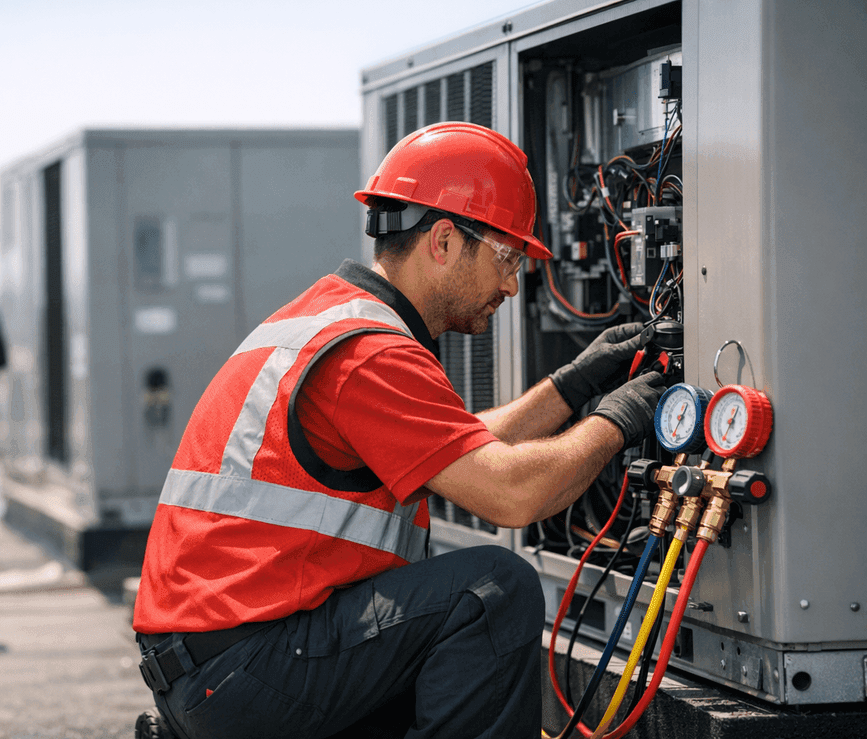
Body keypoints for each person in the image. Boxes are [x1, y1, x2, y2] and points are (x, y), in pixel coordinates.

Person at [131, 122, 669, 739]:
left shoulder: (334, 318)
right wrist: (618, 421)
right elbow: (510, 494)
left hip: (217, 665)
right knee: (493, 591)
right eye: (507, 257)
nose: (510, 285)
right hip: (249, 668)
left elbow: (458, 447)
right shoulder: (372, 353)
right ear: (443, 241)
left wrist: (572, 386)